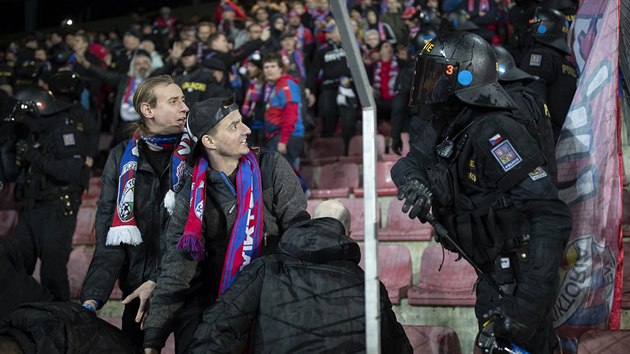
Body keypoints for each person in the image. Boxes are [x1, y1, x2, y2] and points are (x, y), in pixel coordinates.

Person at [391, 32, 572, 353]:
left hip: (518, 279)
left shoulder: (494, 130)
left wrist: (526, 309)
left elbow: (550, 217)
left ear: (464, 76)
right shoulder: (448, 123)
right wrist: (414, 183)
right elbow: (405, 165)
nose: (429, 84)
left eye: (438, 75)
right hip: (490, 273)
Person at [142, 94, 309, 353]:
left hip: (272, 296)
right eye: (234, 126)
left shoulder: (271, 166)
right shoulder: (192, 193)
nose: (247, 130)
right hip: (215, 303)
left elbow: (299, 235)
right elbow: (177, 267)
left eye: (241, 121)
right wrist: (153, 338)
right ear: (209, 141)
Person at [188, 200, 413, 353]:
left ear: (311, 223)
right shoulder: (368, 285)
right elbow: (398, 348)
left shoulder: (265, 268)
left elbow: (216, 327)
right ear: (348, 235)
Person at [80, 75, 190, 349]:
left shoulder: (197, 152)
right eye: (174, 101)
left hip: (188, 286)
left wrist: (160, 280)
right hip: (136, 289)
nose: (185, 107)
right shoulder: (120, 157)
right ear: (148, 110)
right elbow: (109, 232)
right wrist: (92, 299)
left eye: (184, 100)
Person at [10, 86, 90, 301]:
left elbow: (71, 173)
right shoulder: (35, 135)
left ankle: (61, 324)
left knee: (52, 274)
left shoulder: (66, 133)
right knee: (16, 264)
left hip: (57, 209)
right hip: (31, 208)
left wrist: (33, 156)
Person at [519, 7, 577, 143]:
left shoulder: (539, 56)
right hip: (564, 140)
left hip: (543, 140)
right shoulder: (569, 66)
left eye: (535, 22)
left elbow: (532, 103)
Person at [75, 48, 154, 145]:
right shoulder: (125, 80)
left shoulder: (155, 81)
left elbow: (167, 69)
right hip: (123, 125)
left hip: (144, 125)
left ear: (150, 66)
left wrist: (173, 60)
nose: (142, 66)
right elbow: (105, 75)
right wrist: (86, 64)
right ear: (133, 67)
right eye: (138, 64)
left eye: (145, 63)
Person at [306, 21, 358, 150]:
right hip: (329, 87)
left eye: (333, 32)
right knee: (327, 112)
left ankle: (348, 148)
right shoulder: (322, 50)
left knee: (348, 118)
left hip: (348, 87)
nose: (330, 35)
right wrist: (309, 89)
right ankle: (327, 148)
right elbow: (314, 71)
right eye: (330, 32)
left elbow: (361, 67)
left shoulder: (352, 47)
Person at [262, 52, 304, 168]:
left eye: (273, 66)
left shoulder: (286, 85)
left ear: (281, 69)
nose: (269, 70)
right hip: (278, 137)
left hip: (286, 137)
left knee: (282, 177)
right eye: (266, 67)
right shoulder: (276, 86)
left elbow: (291, 114)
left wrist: (283, 140)